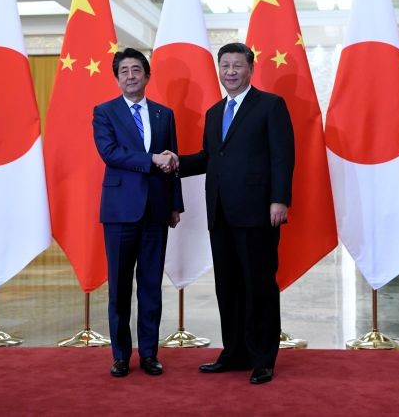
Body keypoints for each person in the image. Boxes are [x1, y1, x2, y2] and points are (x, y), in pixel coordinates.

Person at [168, 42, 294, 385]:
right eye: (225, 66)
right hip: (221, 213)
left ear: (250, 69)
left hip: (258, 213)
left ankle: (263, 358)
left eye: (237, 65)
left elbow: (283, 156)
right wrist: (176, 161)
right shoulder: (214, 112)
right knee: (228, 286)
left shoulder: (270, 105)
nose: (231, 72)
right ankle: (234, 351)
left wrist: (279, 200)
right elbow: (212, 157)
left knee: (259, 286)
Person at [92, 47, 182, 378]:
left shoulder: (164, 114)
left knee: (150, 286)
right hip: (119, 213)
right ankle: (120, 356)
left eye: (136, 70)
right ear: (117, 78)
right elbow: (110, 152)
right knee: (119, 288)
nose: (130, 76)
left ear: (147, 75)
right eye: (124, 71)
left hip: (156, 212)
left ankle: (148, 354)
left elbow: (172, 161)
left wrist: (175, 204)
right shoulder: (104, 112)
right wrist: (150, 160)